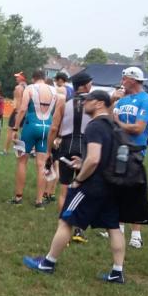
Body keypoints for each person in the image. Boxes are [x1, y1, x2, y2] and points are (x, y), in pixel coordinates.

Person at [24, 90, 126, 283]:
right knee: (114, 227)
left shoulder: (95, 126)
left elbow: (95, 159)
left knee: (66, 221)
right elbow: (106, 156)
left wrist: (79, 179)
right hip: (112, 184)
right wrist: (83, 160)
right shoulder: (114, 125)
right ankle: (117, 272)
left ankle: (48, 262)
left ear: (98, 103)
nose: (83, 104)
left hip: (93, 185)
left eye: (87, 100)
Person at [48, 71, 93, 242]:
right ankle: (79, 230)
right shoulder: (93, 104)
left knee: (65, 189)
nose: (91, 85)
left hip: (66, 147)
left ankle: (63, 228)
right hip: (86, 148)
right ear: (85, 85)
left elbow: (54, 128)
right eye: (90, 82)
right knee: (83, 190)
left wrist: (49, 148)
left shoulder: (64, 103)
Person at [112, 67, 148, 249]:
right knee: (118, 189)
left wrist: (119, 123)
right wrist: (113, 101)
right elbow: (109, 119)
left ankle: (136, 234)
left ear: (134, 80)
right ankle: (119, 228)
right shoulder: (122, 100)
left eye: (125, 78)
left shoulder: (146, 100)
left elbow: (138, 128)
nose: (122, 80)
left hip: (135, 149)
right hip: (118, 147)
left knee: (134, 191)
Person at [10, 69, 60, 208]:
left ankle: (18, 197)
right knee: (42, 164)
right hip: (47, 128)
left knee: (21, 160)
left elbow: (22, 109)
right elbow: (57, 112)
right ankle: (39, 200)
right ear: (44, 78)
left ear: (33, 78)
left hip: (30, 126)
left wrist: (15, 128)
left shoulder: (30, 88)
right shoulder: (55, 90)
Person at [3, 72, 27, 154]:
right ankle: (20, 149)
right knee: (19, 131)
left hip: (17, 110)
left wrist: (17, 112)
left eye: (18, 77)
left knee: (11, 130)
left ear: (22, 78)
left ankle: (6, 150)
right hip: (24, 111)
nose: (16, 78)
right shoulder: (27, 87)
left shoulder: (18, 88)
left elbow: (18, 100)